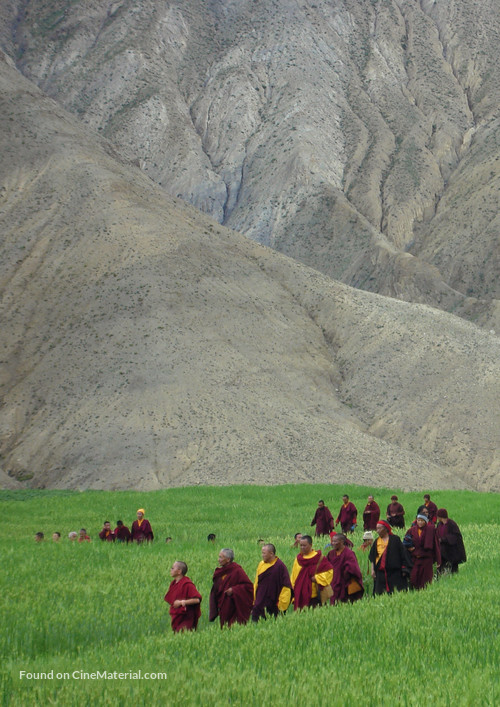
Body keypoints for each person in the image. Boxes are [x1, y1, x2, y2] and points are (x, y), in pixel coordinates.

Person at [209, 549, 254, 628]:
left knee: (234, 627)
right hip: (223, 606)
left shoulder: (237, 570)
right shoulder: (220, 572)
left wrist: (234, 590)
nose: (218, 559)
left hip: (234, 605)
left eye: (220, 557)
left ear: (228, 559)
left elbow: (248, 586)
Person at [290, 535, 333, 610]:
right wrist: (293, 592)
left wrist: (317, 578)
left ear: (311, 545)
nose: (302, 547)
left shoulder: (319, 558)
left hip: (315, 594)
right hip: (300, 593)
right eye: (301, 545)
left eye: (304, 545)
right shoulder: (298, 559)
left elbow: (329, 572)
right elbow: (294, 576)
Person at [369, 521, 412, 595]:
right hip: (380, 574)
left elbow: (403, 555)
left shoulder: (395, 540)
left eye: (379, 528)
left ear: (386, 529)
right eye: (377, 529)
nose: (377, 531)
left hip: (395, 573)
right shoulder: (377, 542)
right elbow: (372, 557)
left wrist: (404, 568)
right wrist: (372, 570)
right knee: (380, 595)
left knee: (397, 594)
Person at [252, 543, 292, 622]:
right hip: (259, 601)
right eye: (262, 553)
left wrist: (282, 605)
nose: (262, 555)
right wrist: (254, 599)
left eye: (264, 553)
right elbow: (256, 583)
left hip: (273, 603)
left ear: (271, 554)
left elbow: (286, 586)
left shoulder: (280, 566)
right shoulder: (261, 564)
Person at [164, 561, 202, 632]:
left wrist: (181, 602)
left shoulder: (187, 584)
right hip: (176, 616)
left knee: (183, 635)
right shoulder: (173, 583)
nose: (170, 570)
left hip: (186, 617)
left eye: (172, 568)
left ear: (179, 571)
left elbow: (197, 599)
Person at [326, 533, 364, 604]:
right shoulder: (331, 554)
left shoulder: (349, 553)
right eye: (332, 541)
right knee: (334, 602)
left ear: (342, 542)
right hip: (334, 582)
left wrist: (346, 572)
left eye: (335, 541)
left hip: (345, 582)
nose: (333, 543)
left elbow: (354, 569)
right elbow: (326, 566)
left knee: (346, 602)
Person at [406, 515, 441, 589]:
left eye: (422, 521)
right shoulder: (411, 530)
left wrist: (438, 560)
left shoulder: (431, 530)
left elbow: (436, 545)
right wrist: (409, 548)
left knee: (425, 580)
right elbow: (406, 541)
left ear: (426, 522)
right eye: (418, 520)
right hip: (415, 558)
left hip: (427, 559)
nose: (420, 522)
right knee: (414, 578)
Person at [436, 509, 466, 574]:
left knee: (453, 569)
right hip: (442, 550)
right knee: (441, 567)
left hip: (451, 550)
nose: (437, 518)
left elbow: (456, 536)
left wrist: (444, 539)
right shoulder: (439, 524)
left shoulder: (452, 524)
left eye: (438, 516)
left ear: (441, 516)